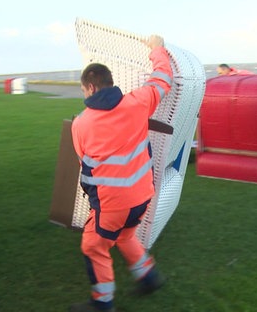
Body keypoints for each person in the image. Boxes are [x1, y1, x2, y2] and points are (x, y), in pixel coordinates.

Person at [69, 35, 172, 312]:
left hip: (111, 205)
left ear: (90, 87)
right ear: (110, 82)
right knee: (125, 237)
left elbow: (85, 164)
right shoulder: (139, 101)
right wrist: (156, 48)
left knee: (93, 247)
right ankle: (148, 276)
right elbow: (163, 78)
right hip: (142, 196)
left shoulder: (81, 124)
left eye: (83, 91)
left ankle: (102, 304)